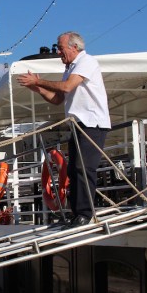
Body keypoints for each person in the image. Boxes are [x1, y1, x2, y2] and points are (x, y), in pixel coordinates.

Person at [17, 31, 111, 227]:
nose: (58, 51)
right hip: (78, 125)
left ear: (74, 47)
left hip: (92, 124)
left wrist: (38, 81)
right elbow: (58, 99)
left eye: (60, 47)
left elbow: (67, 88)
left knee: (83, 169)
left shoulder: (87, 62)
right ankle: (77, 213)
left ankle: (85, 213)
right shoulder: (70, 68)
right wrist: (38, 89)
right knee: (74, 170)